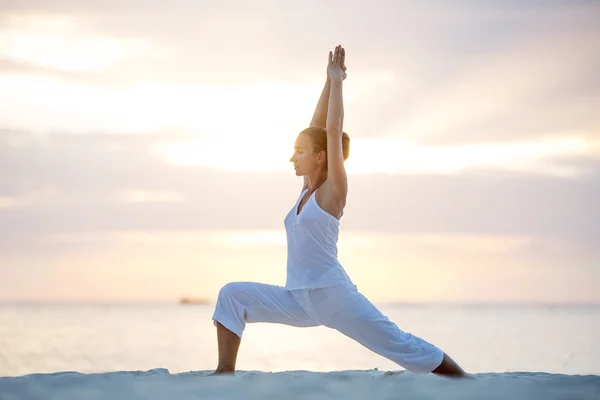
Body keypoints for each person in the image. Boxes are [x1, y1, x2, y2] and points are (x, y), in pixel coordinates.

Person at [211, 45, 469, 378]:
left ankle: (465, 382)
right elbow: (316, 128)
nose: (293, 158)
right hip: (297, 298)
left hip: (334, 297)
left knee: (400, 344)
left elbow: (330, 131)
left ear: (320, 157)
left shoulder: (333, 191)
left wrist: (339, 83)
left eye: (300, 152)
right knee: (232, 295)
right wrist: (326, 83)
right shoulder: (306, 189)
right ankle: (224, 375)